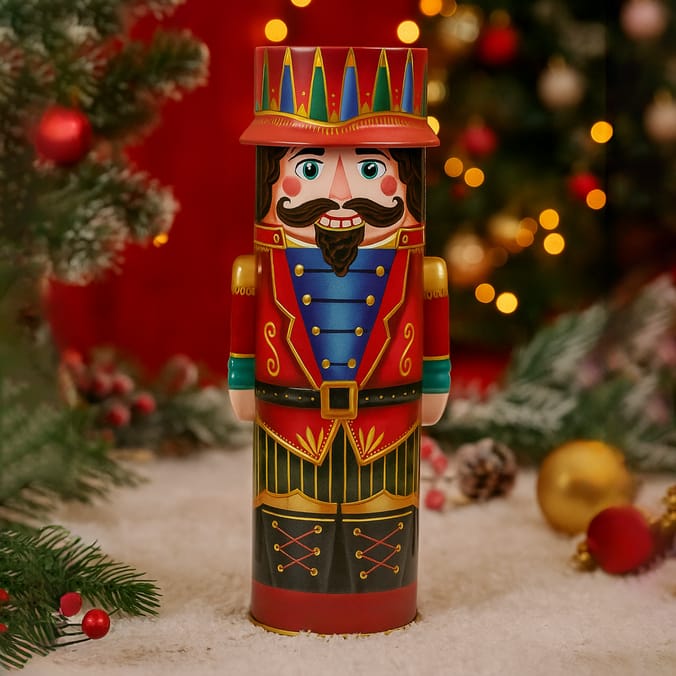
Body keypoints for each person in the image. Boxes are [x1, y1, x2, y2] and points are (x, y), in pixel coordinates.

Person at [229, 46, 450, 634]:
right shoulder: (258, 267)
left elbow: (432, 343)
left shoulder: (421, 269)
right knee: (289, 528)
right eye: (309, 169)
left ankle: (379, 606)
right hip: (290, 426)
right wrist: (241, 381)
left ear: (407, 181)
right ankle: (289, 605)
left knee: (382, 531)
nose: (343, 190)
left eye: (372, 169)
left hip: (387, 427)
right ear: (272, 179)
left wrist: (434, 386)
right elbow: (246, 339)